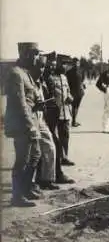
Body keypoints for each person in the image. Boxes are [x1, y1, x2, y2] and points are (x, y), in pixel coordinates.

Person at [4, 42, 44, 207]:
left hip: (30, 120)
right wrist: (30, 126)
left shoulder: (25, 73)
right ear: (26, 54)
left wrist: (37, 104)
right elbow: (19, 103)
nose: (37, 57)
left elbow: (28, 100)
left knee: (35, 155)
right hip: (23, 125)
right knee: (22, 160)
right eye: (34, 54)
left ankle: (26, 188)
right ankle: (17, 196)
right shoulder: (16, 74)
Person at [42, 53, 76, 184]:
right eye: (63, 64)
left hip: (65, 110)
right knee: (54, 138)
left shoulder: (64, 77)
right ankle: (56, 163)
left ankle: (64, 157)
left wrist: (70, 97)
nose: (65, 66)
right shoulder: (50, 77)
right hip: (54, 112)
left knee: (65, 135)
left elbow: (67, 91)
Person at [31, 55, 60, 191]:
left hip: (41, 118)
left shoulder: (40, 81)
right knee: (32, 153)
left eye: (43, 67)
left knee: (50, 147)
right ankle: (29, 184)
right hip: (30, 118)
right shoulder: (27, 80)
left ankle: (47, 179)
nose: (42, 70)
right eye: (40, 66)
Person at [66, 57, 86, 127]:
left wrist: (82, 85)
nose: (76, 64)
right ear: (72, 63)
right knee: (74, 106)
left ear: (79, 63)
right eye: (75, 63)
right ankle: (73, 121)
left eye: (77, 63)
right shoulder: (69, 72)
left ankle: (74, 121)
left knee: (76, 106)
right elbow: (68, 82)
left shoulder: (81, 71)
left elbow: (82, 80)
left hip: (79, 91)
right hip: (74, 91)